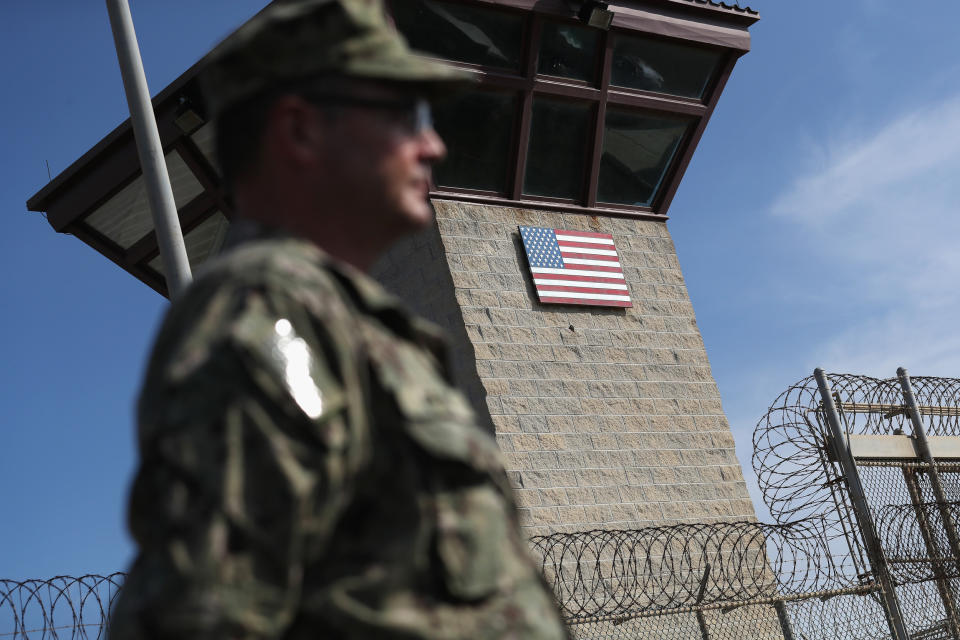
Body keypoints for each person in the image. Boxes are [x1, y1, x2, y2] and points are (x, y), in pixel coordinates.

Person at [107, 0, 569, 638]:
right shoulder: (266, 315)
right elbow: (204, 616)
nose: (432, 144)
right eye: (403, 114)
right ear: (300, 131)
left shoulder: (358, 327)